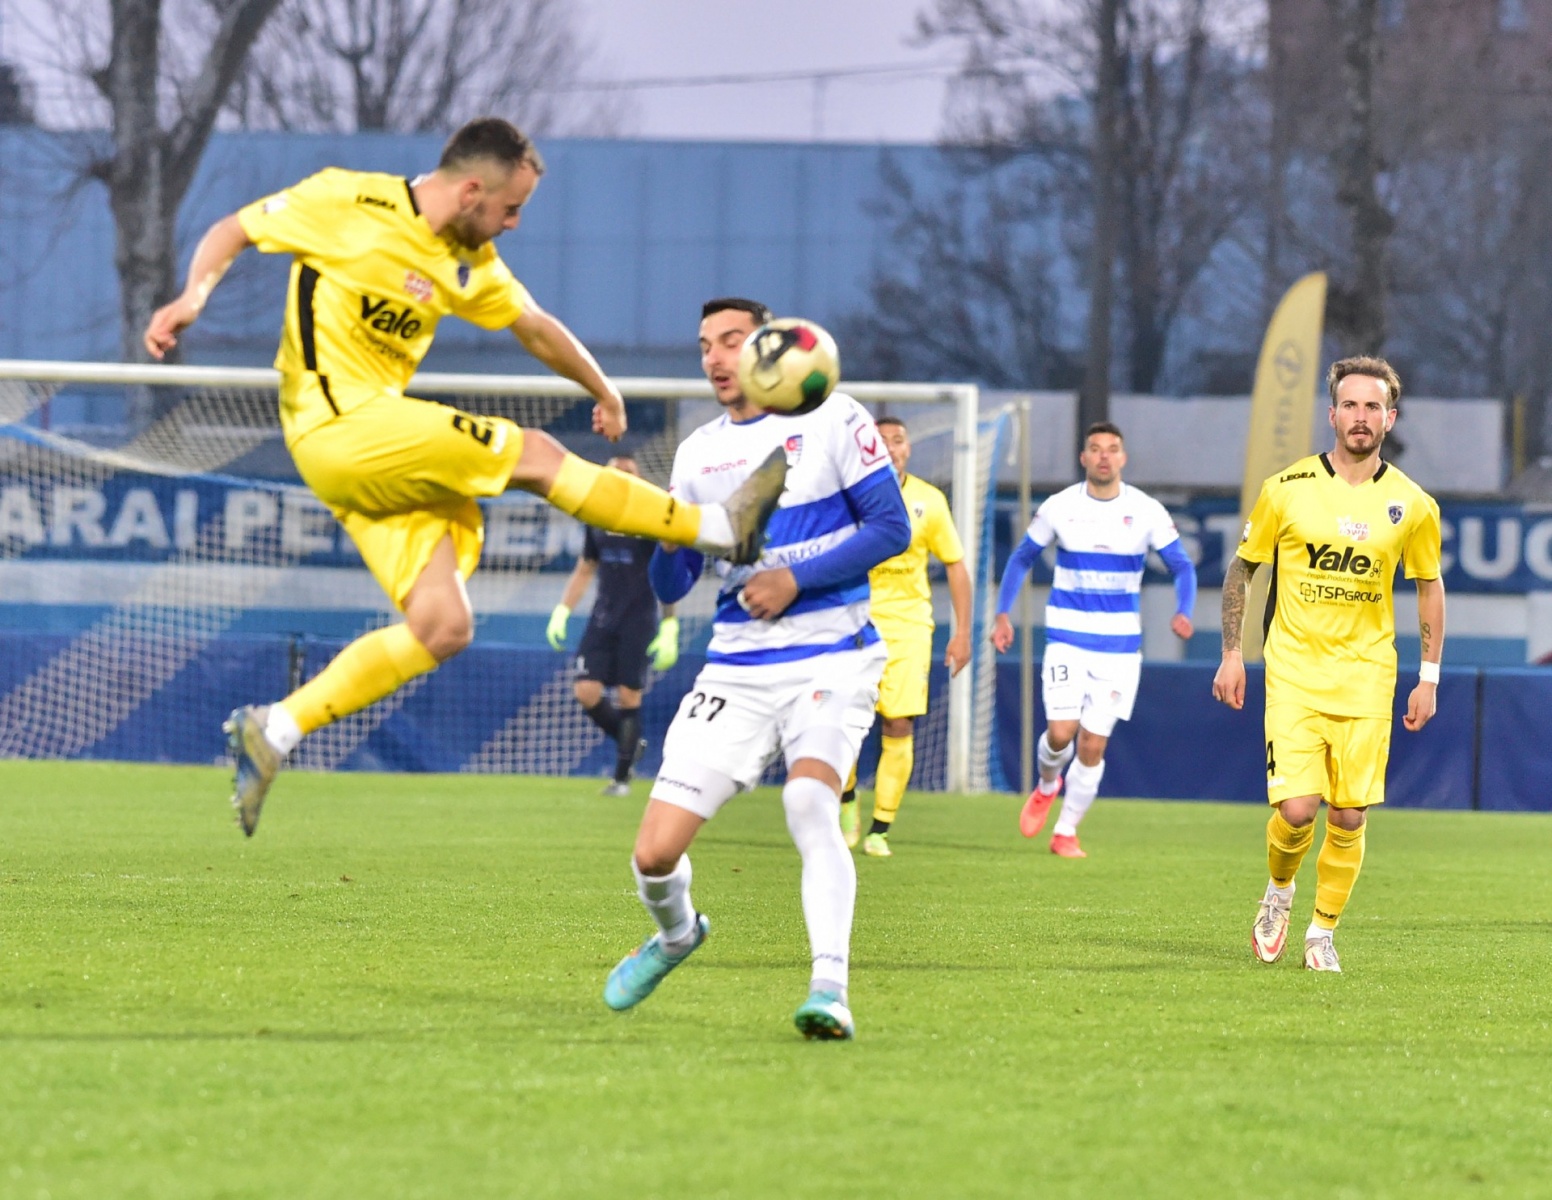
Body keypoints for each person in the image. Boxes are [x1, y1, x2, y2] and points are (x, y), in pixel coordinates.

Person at [142, 118, 787, 837]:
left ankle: (276, 729)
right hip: (337, 425)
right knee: (537, 455)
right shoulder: (345, 201)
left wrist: (603, 391)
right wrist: (192, 297)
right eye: (511, 209)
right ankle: (719, 527)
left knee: (444, 626)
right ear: (473, 189)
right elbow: (234, 228)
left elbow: (534, 324)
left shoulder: (465, 261)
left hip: (369, 454)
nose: (512, 224)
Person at [600, 297, 910, 1041]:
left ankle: (829, 990)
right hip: (736, 667)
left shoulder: (835, 419)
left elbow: (891, 526)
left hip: (833, 652)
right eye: (704, 344)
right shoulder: (699, 451)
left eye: (731, 341)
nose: (714, 357)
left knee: (810, 805)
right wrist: (666, 531)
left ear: (772, 349)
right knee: (653, 854)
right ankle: (676, 935)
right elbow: (672, 587)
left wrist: (797, 581)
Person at [1214, 356, 1444, 973]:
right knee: (1296, 810)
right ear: (1332, 413)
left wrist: (1429, 675)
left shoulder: (1413, 504)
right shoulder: (1285, 489)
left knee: (1348, 813)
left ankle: (1323, 932)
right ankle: (1280, 893)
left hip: (1368, 678)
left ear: (1390, 418)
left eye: (1374, 407)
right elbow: (1243, 566)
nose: (1361, 417)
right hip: (1293, 671)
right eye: (1351, 405)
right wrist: (1232, 653)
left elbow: (1428, 585)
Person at [992, 422, 1196, 857]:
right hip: (1067, 638)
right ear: (1084, 458)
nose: (1104, 456)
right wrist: (1002, 614)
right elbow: (1022, 557)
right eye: (1095, 449)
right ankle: (1048, 783)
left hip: (1120, 649)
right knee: (1062, 733)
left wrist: (1184, 609)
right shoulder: (1060, 506)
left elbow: (1182, 566)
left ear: (1122, 458)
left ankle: (1065, 831)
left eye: (1112, 449)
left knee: (1092, 744)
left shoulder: (1146, 511)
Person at [838, 416, 972, 857]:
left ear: (907, 449)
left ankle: (880, 829)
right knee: (845, 723)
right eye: (881, 440)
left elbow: (954, 564)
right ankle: (845, 801)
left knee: (898, 722)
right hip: (852, 620)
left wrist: (964, 633)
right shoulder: (847, 496)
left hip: (910, 625)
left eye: (897, 440)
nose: (890, 447)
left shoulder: (928, 501)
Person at [547, 454, 680, 796]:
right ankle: (630, 745)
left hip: (638, 618)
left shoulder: (649, 520)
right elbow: (586, 566)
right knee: (586, 691)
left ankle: (621, 777)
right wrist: (563, 609)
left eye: (628, 473)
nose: (620, 477)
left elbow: (665, 573)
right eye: (615, 472)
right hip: (603, 617)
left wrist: (669, 626)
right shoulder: (595, 517)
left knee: (628, 696)